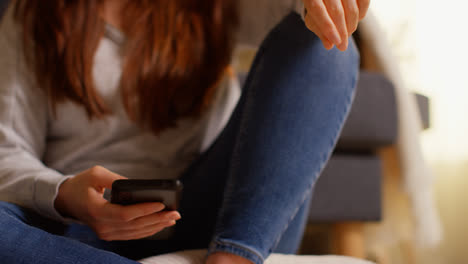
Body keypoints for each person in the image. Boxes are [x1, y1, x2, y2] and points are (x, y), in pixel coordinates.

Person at [0, 0, 369, 263]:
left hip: (212, 217)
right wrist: (64, 194)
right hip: (74, 228)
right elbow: (7, 150)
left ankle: (232, 260)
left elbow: (301, 16)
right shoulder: (33, 13)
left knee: (325, 41)